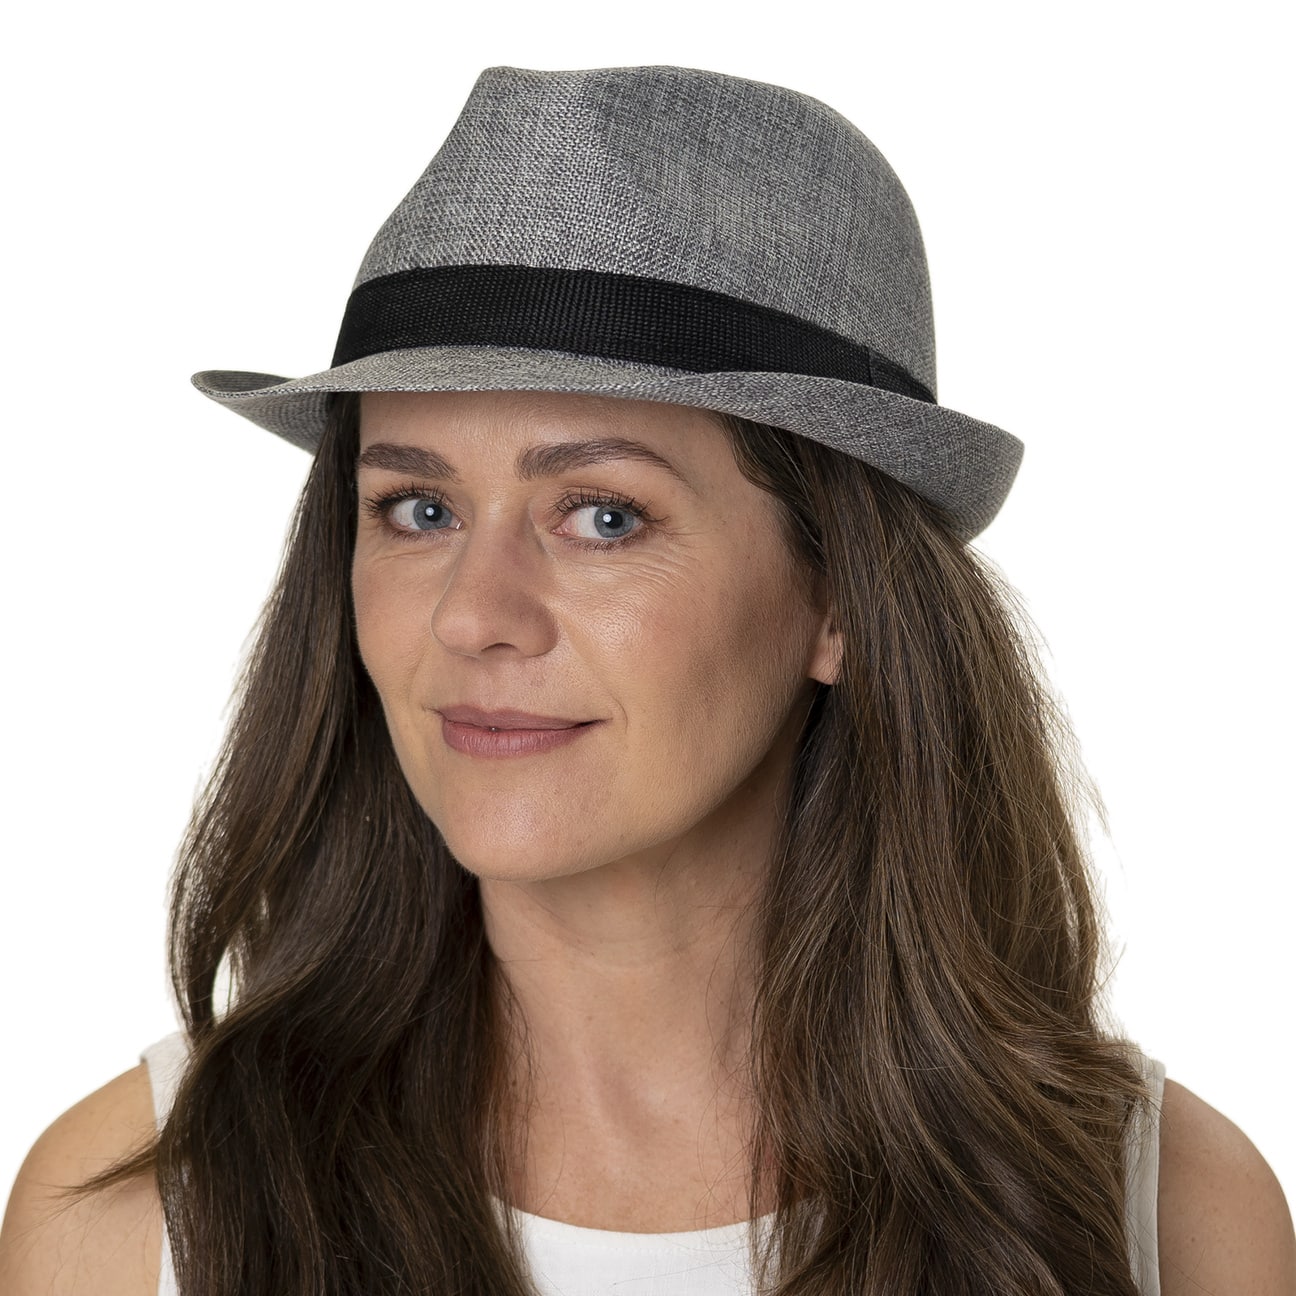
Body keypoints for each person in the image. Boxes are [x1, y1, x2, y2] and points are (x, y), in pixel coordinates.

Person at [1, 64, 1292, 1296]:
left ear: (839, 599)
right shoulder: (139, 1215)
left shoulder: (1164, 1212)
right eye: (417, 510)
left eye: (603, 516)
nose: (473, 617)